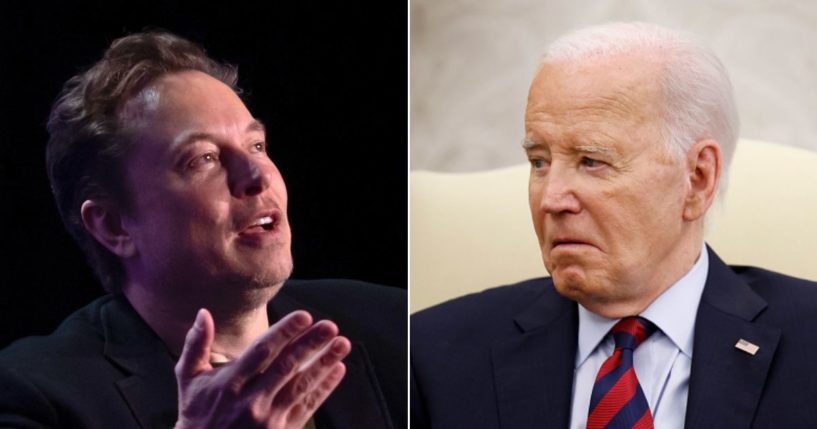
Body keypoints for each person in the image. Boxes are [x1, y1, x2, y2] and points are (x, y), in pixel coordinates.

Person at [411, 22, 817, 428]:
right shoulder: (430, 354)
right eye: (539, 161)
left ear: (697, 179)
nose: (551, 199)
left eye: (592, 161)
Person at [0, 31, 405, 428]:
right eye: (203, 158)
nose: (256, 175)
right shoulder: (32, 396)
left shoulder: (397, 327)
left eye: (257, 146)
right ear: (113, 226)